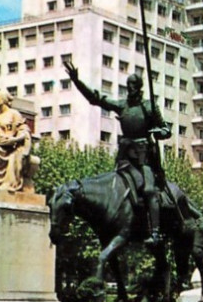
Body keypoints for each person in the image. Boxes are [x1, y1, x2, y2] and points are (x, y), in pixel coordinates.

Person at [64, 61, 170, 246]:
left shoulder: (149, 107)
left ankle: (155, 232)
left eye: (133, 86)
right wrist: (76, 80)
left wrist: (159, 132)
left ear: (139, 88)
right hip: (125, 157)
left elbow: (166, 129)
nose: (130, 89)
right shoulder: (122, 106)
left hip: (144, 158)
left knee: (149, 190)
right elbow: (95, 99)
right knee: (110, 188)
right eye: (128, 86)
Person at [0, 90, 32, 192]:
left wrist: (14, 139)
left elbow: (24, 131)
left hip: (9, 148)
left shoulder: (14, 114)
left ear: (4, 99)